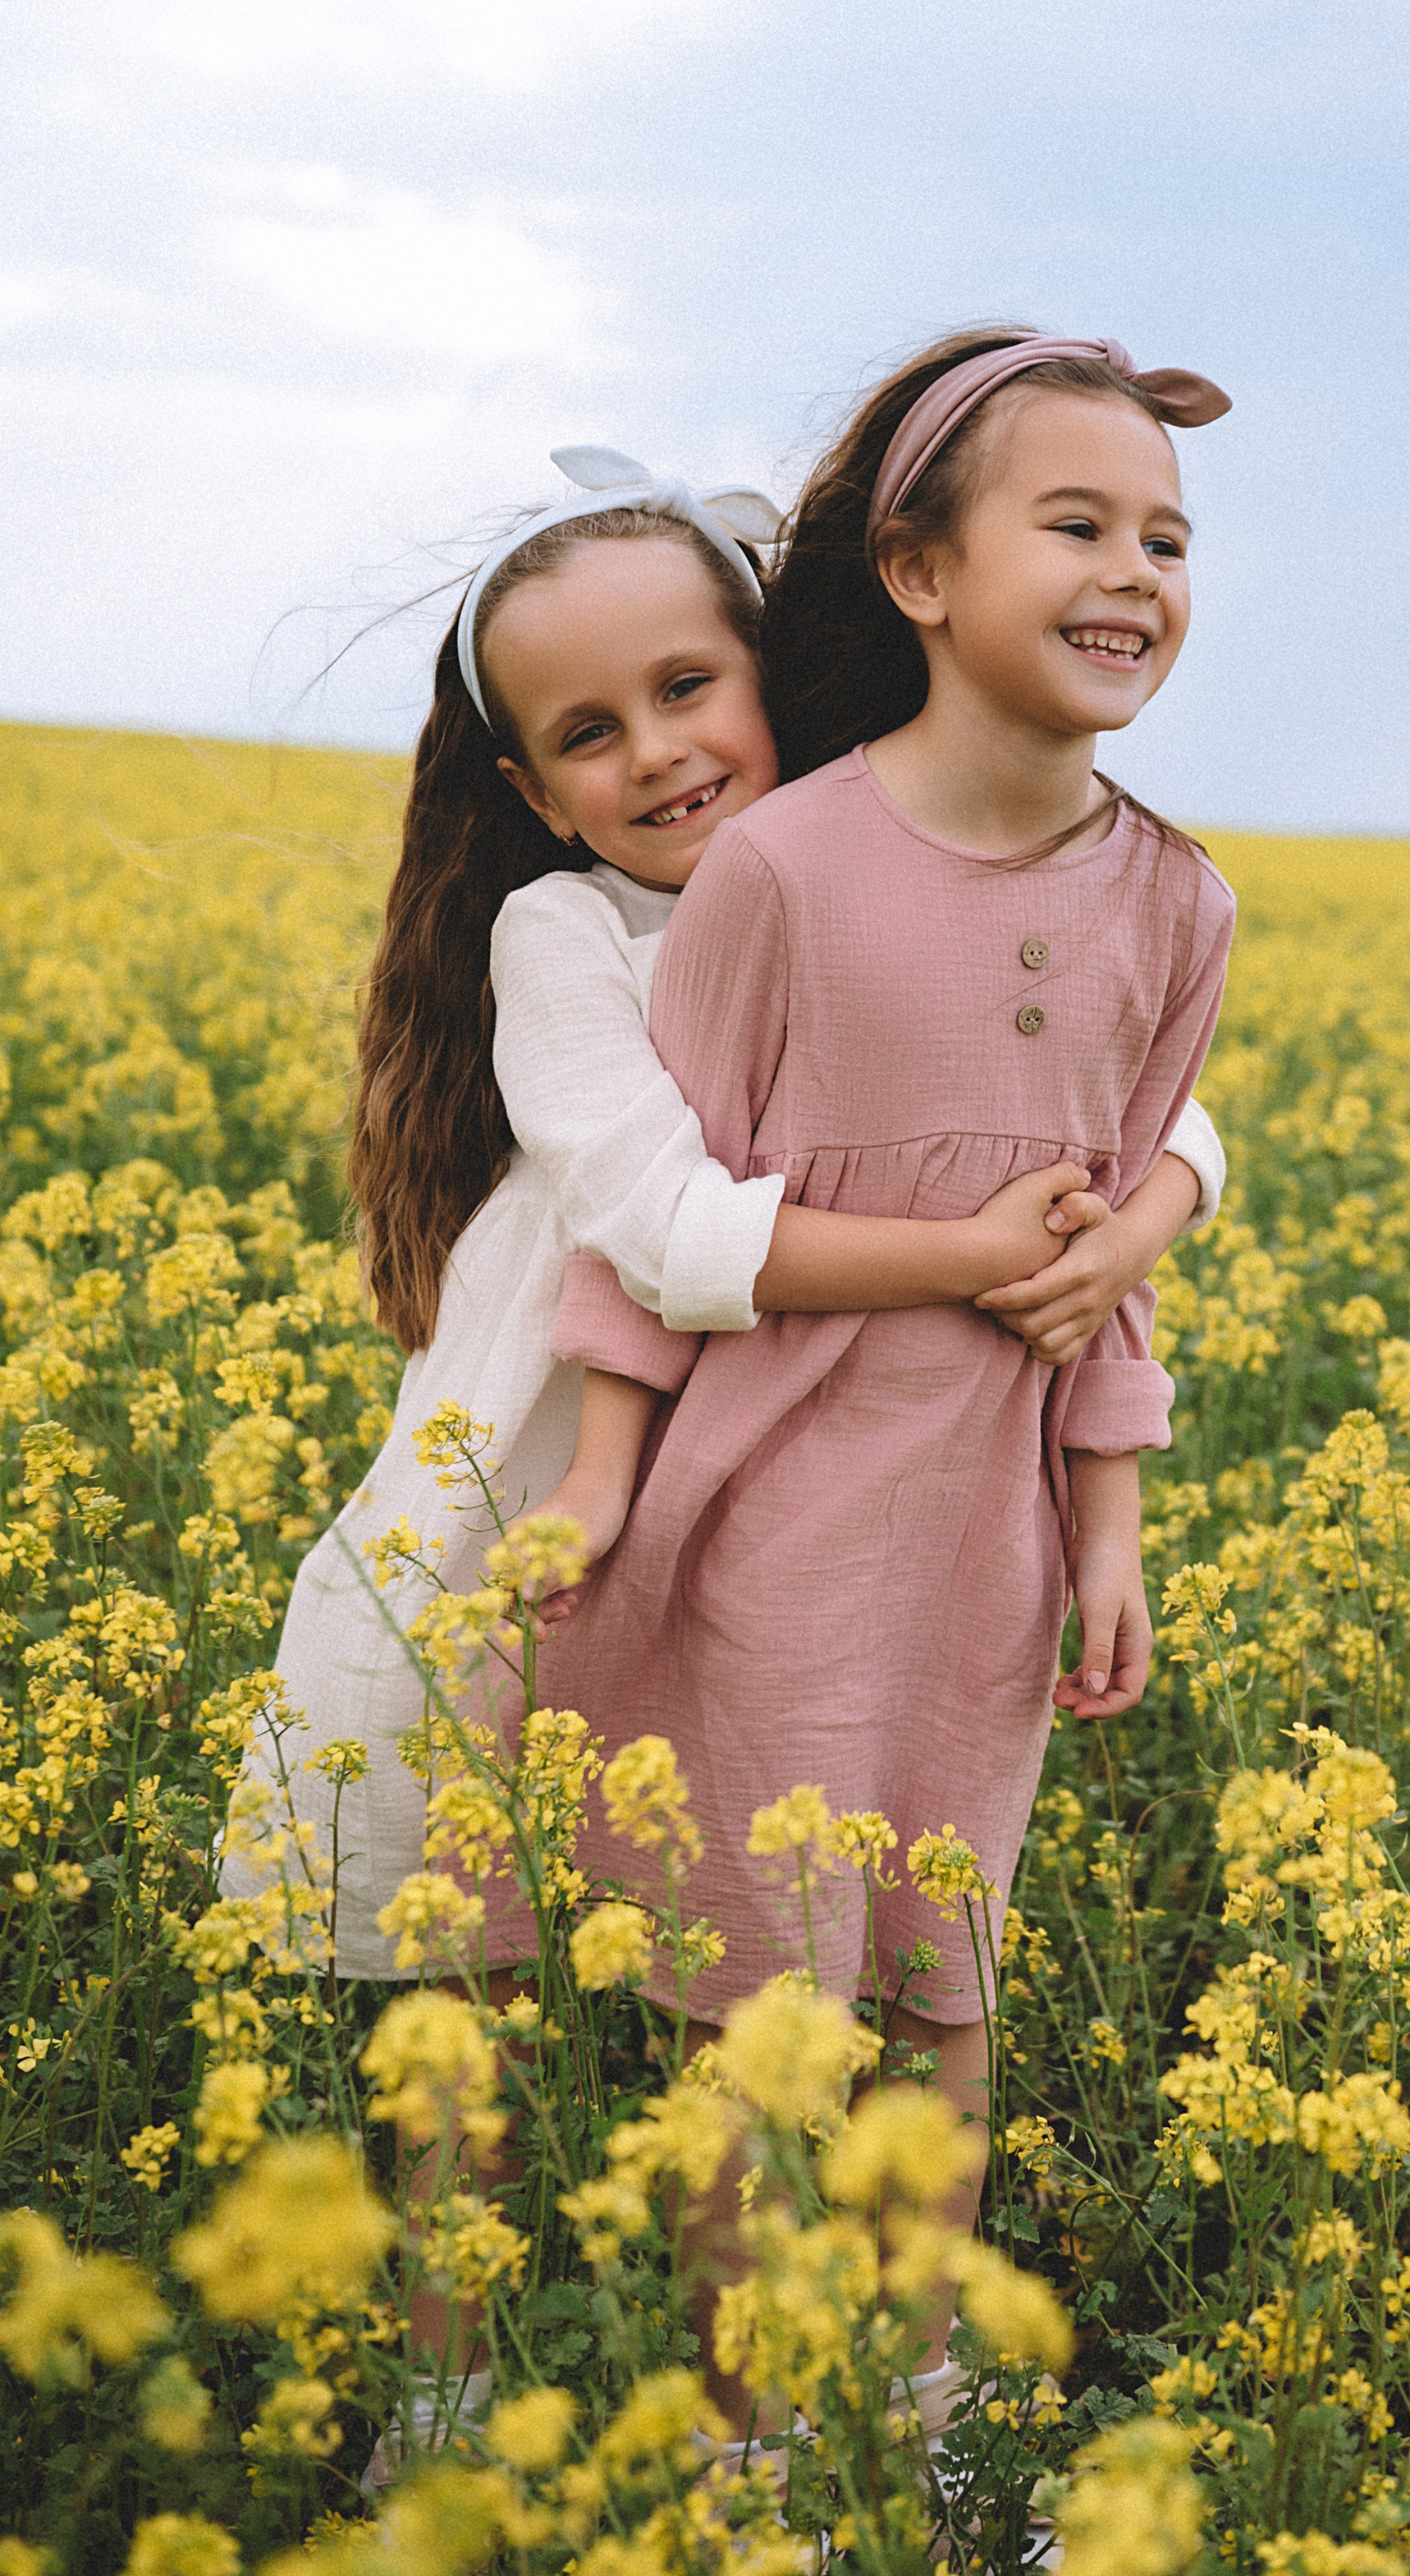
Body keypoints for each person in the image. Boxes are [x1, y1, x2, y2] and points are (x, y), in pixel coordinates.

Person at [225, 444, 1227, 1984]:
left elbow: (1123, 1109)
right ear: (532, 794)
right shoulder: (563, 934)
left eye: (690, 685)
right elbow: (667, 1223)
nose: (657, 750)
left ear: (767, 674)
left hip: (786, 1468)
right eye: (589, 732)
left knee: (740, 1877)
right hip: (565, 1456)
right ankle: (468, 2217)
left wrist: (1138, 1221)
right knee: (481, 1905)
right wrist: (979, 1256)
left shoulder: (881, 875)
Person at [515, 330, 1237, 2397]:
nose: (1135, 574)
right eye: (1077, 525)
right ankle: (750, 2434)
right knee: (763, 2010)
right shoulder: (781, 867)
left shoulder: (1177, 902)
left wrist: (1109, 1526)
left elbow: (1110, 1257)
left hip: (986, 1552)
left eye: (1167, 538)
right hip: (774, 1540)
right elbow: (661, 1213)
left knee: (945, 1994)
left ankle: (914, 2413)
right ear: (917, 572)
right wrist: (595, 1480)